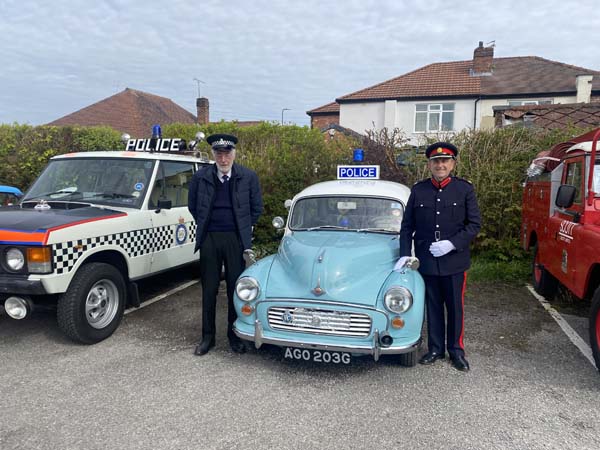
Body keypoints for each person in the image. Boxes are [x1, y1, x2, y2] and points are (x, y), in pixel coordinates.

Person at [395, 142, 481, 372]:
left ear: (452, 163)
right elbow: (407, 226)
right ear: (430, 165)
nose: (440, 165)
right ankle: (435, 348)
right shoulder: (419, 190)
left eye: (445, 161)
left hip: (454, 260)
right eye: (436, 161)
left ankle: (456, 350)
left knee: (455, 308)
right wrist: (405, 255)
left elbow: (474, 225)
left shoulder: (464, 190)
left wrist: (451, 244)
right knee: (431, 306)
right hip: (427, 259)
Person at [188, 133, 263, 356]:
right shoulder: (200, 177)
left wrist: (243, 228)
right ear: (214, 155)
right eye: (219, 154)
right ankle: (207, 338)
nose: (223, 159)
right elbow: (193, 206)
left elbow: (256, 208)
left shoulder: (248, 177)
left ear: (234, 154)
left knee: (235, 289)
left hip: (235, 239)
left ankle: (234, 336)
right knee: (209, 289)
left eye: (227, 154)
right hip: (210, 238)